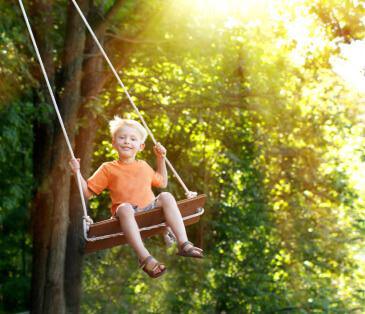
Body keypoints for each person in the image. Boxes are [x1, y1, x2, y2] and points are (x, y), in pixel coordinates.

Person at [69, 117, 203, 278]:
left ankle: (184, 243)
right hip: (125, 215)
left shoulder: (144, 166)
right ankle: (145, 257)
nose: (127, 142)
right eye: (122, 138)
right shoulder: (108, 168)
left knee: (166, 196)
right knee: (125, 207)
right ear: (113, 143)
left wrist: (161, 159)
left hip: (148, 210)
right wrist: (76, 172)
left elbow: (162, 182)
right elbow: (87, 192)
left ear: (141, 146)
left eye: (133, 139)